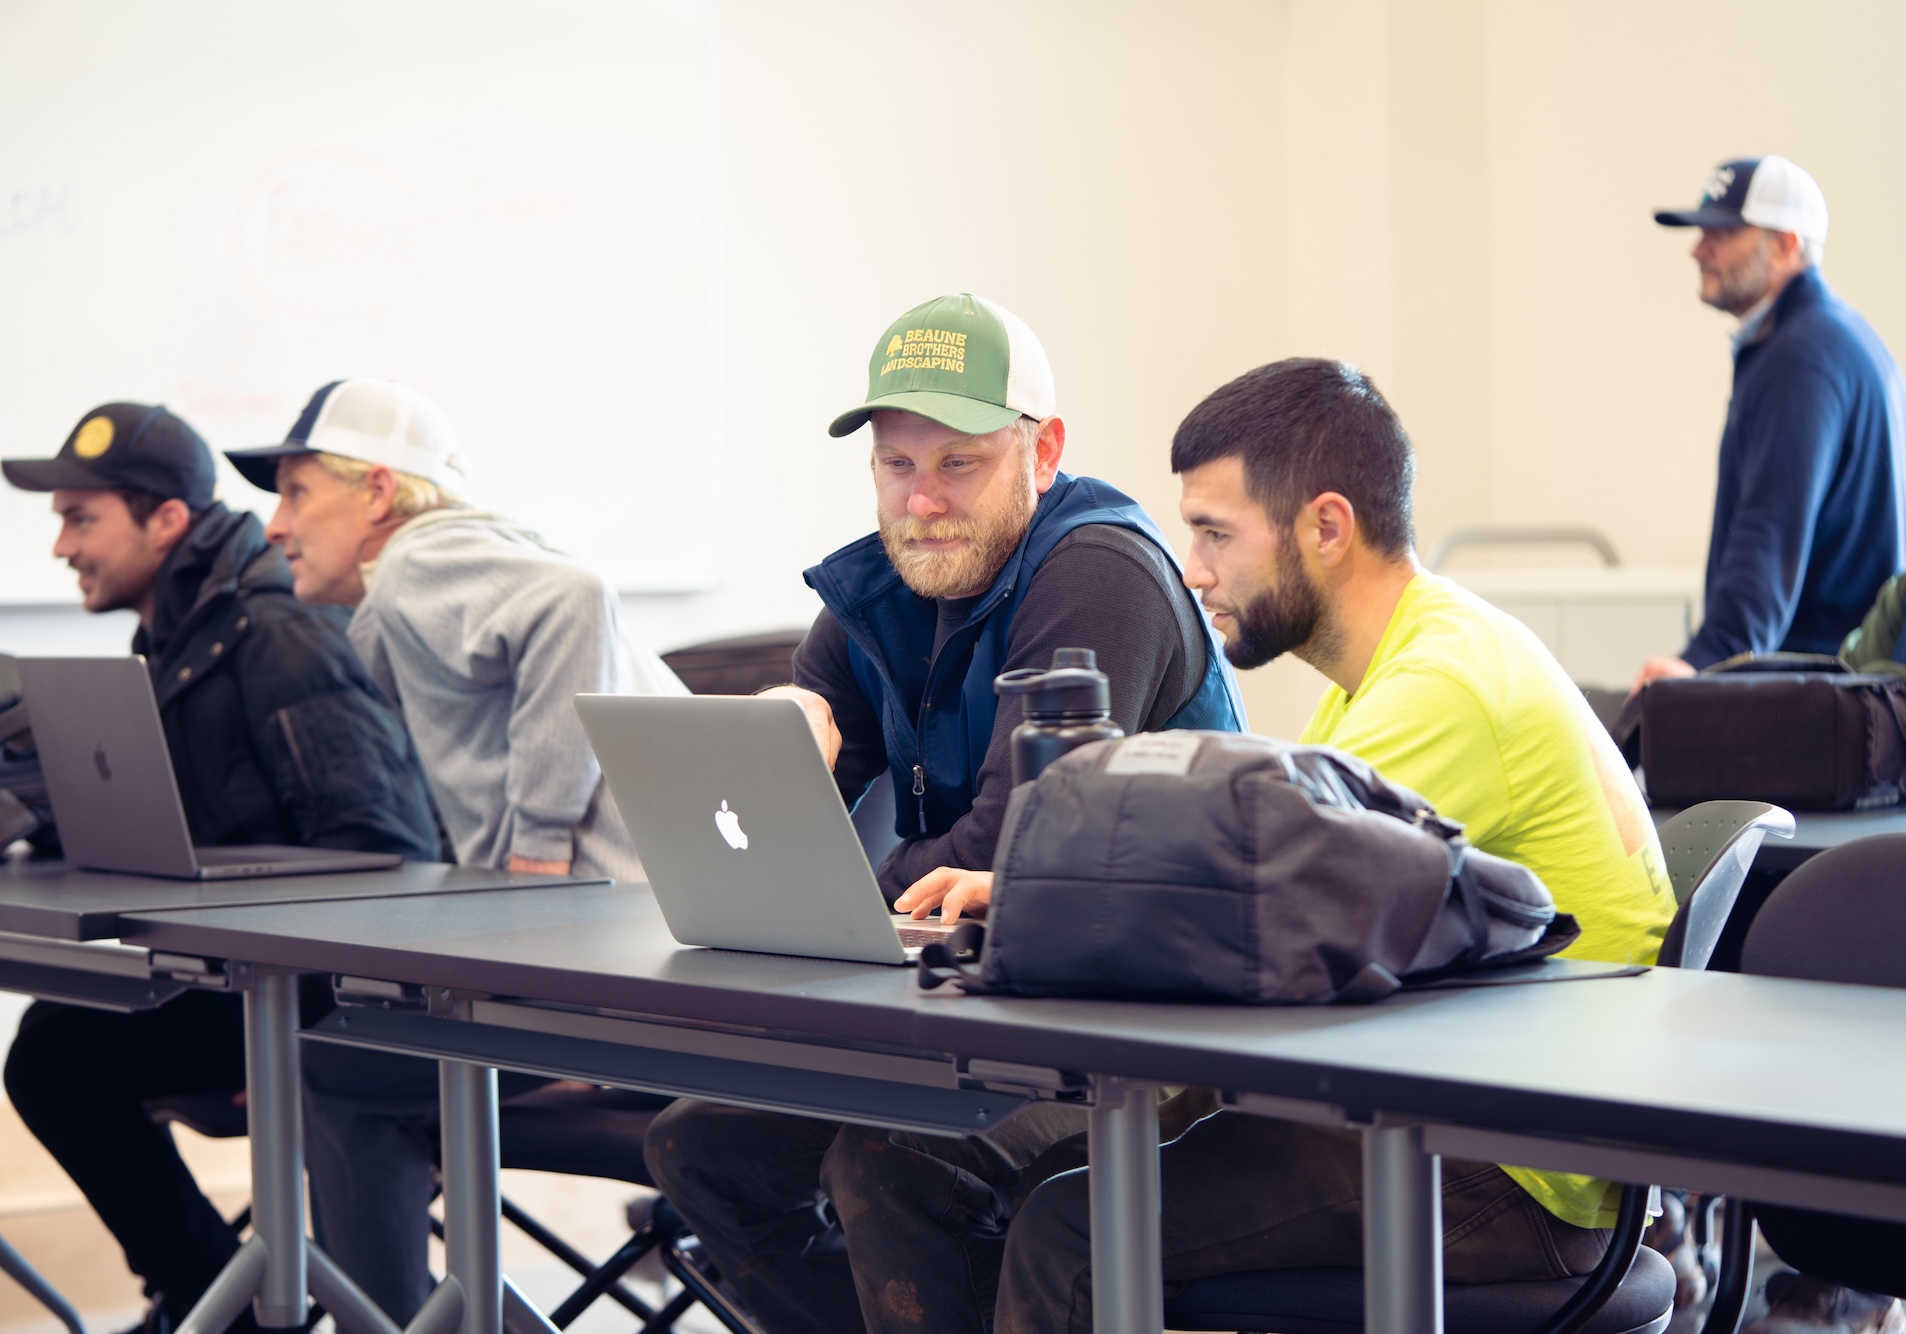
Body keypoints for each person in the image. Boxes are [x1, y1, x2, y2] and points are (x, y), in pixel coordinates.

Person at [895, 358, 1674, 1333]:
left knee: (1071, 1228)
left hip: (1513, 1165)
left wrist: (1042, 898)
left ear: (1326, 527)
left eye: (1216, 533)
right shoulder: (1403, 663)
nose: (1192, 568)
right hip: (1466, 1102)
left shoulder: (1439, 688)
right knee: (1030, 1171)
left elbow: (1239, 920)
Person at [641, 293, 1245, 1334]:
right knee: (702, 1146)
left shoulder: (1098, 574)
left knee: (891, 1157)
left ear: (1041, 451)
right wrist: (779, 742)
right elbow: (772, 825)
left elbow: (1015, 842)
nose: (922, 500)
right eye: (897, 464)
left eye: (959, 462)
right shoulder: (885, 586)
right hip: (987, 1015)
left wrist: (834, 891)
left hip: (1157, 1041)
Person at [224, 377, 688, 1321]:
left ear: (378, 493)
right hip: (662, 952)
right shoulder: (445, 568)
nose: (275, 525)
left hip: (624, 966)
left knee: (335, 1072)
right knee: (365, 1050)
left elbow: (577, 598)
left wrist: (536, 855)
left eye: (298, 492)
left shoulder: (418, 560)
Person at [0, 403, 443, 1334]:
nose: (62, 547)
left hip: (324, 995)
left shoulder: (278, 636)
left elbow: (386, 851)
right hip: (250, 978)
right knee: (57, 1040)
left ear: (166, 520)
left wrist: (295, 1022)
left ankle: (214, 1307)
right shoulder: (177, 637)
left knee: (55, 1057)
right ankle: (209, 1300)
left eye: (80, 520)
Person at [1635, 155, 1906, 691]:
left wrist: (1708, 660)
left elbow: (1770, 530)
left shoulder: (1801, 358)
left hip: (1817, 698)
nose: (1698, 249)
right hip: (1847, 695)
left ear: (1785, 246)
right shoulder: (1832, 337)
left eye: (1723, 233)